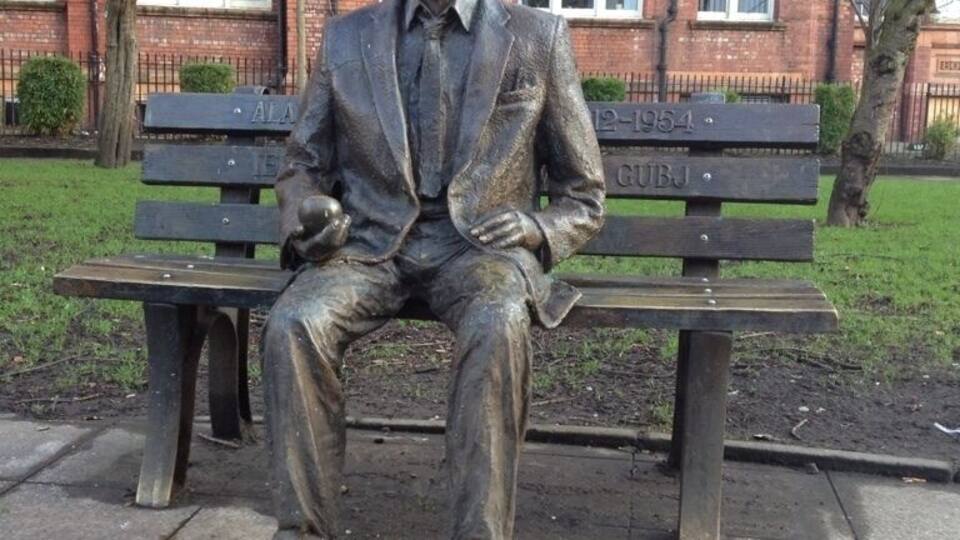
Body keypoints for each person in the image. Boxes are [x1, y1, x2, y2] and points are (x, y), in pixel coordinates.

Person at [263, 0, 604, 536]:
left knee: (497, 323)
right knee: (293, 324)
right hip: (372, 243)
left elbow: (583, 194)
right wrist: (306, 221)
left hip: (479, 248)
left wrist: (537, 228)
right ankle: (301, 530)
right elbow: (303, 164)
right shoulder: (345, 37)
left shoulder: (539, 36)